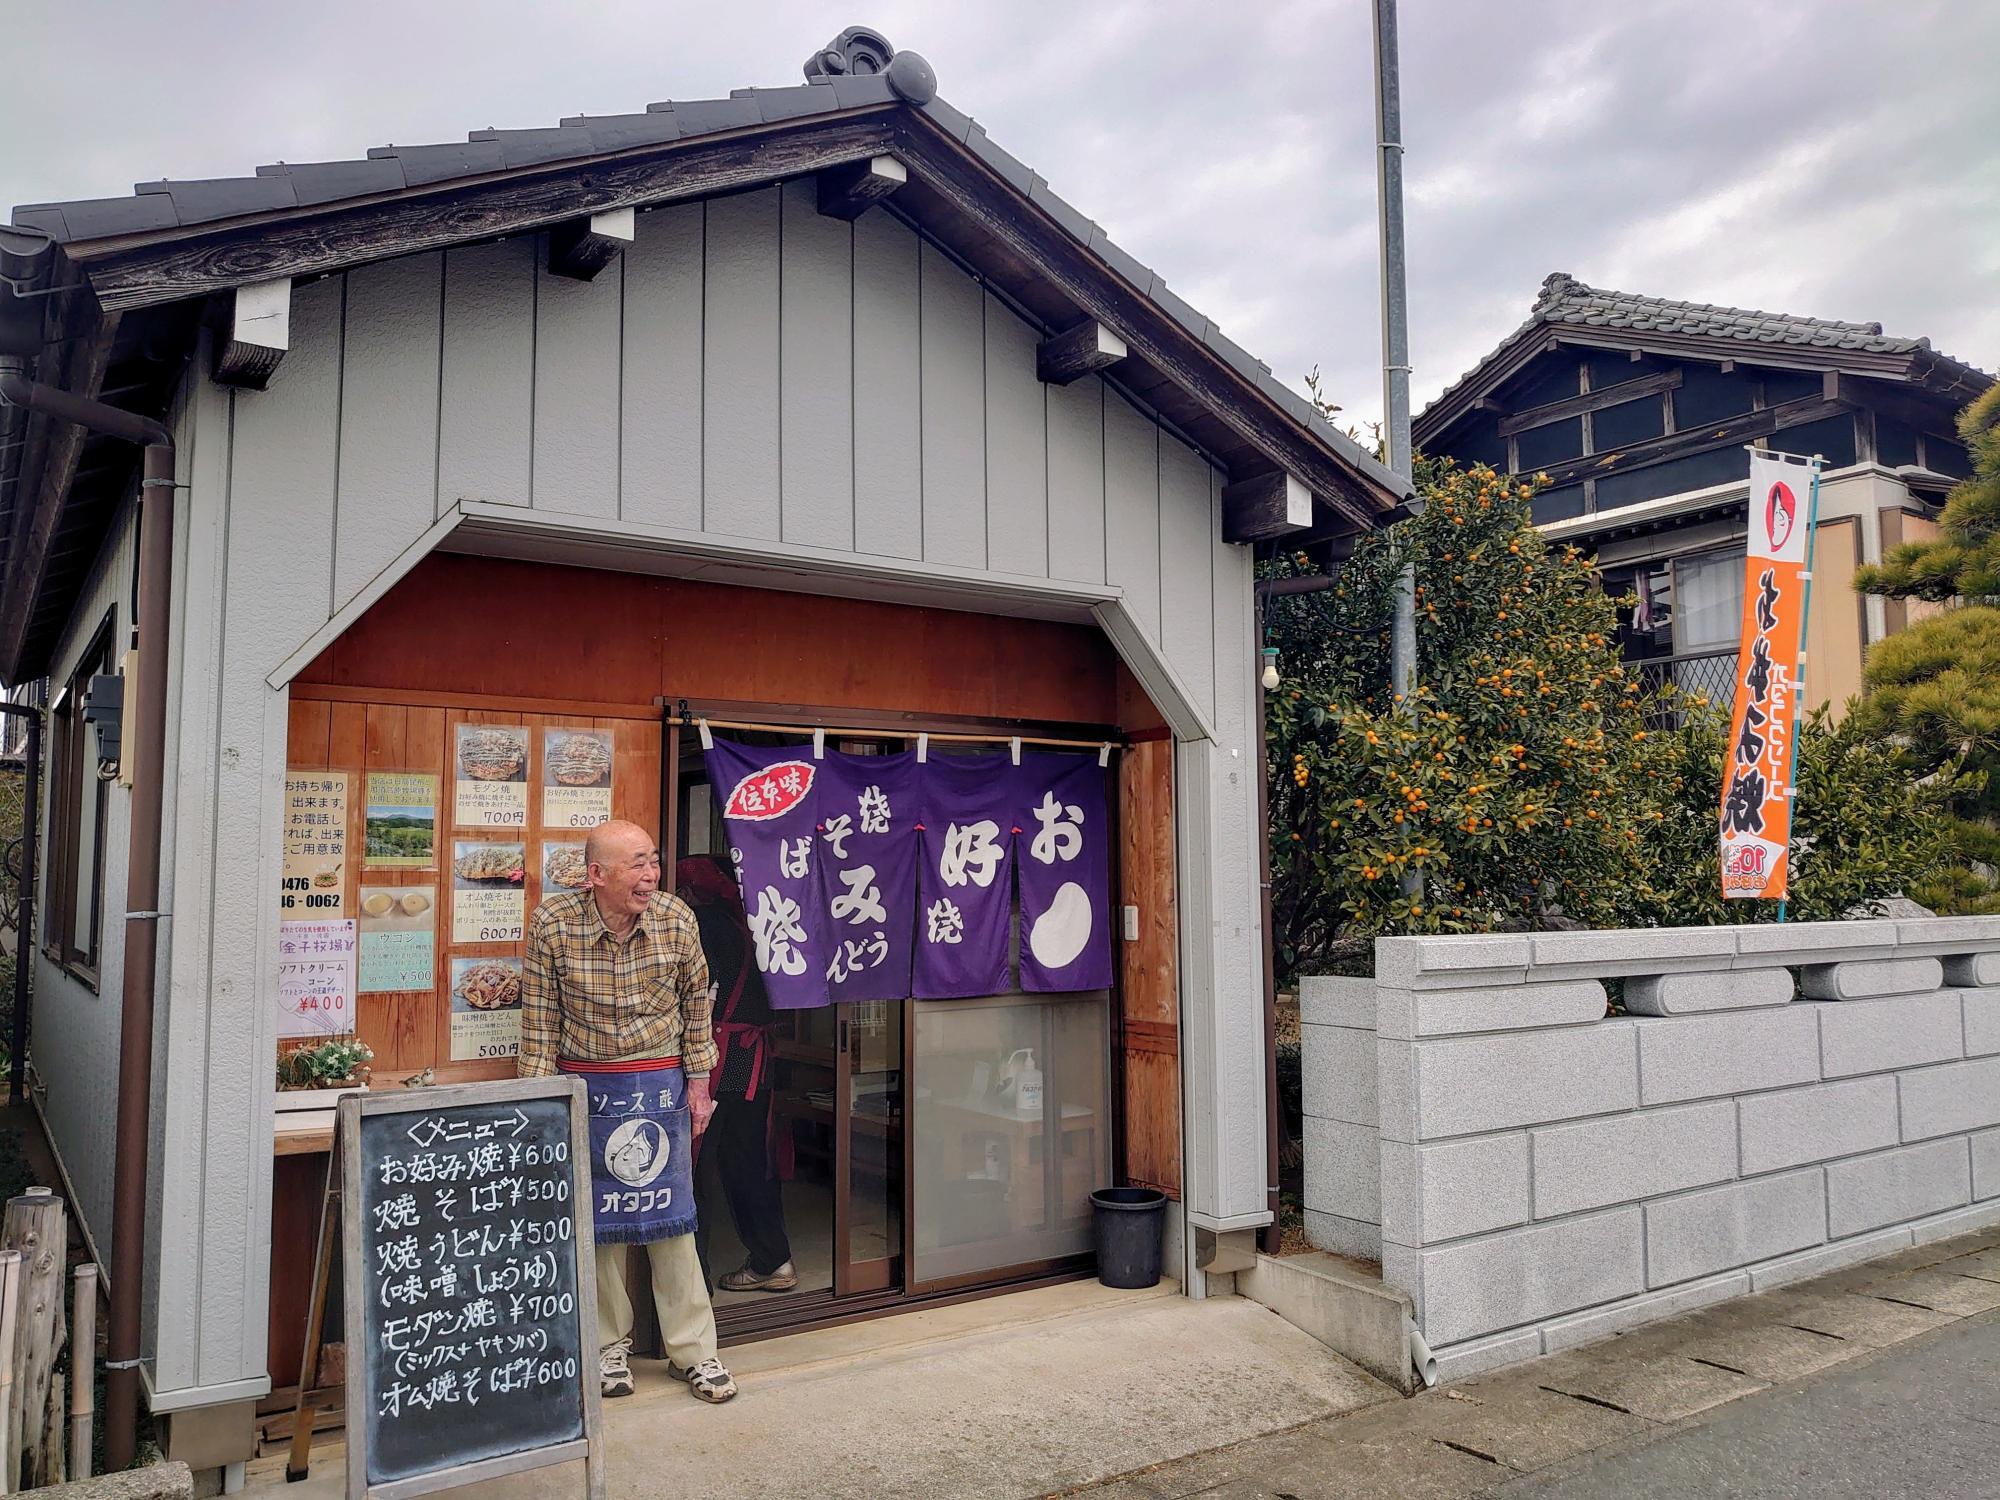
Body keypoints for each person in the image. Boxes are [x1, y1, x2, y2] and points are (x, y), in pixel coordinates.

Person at [519, 818, 737, 1404]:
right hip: (587, 1085)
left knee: (673, 1219)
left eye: (653, 861)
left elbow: (698, 1002)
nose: (651, 875)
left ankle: (694, 1351)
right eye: (637, 863)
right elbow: (539, 1023)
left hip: (659, 1082)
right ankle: (606, 1346)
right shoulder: (554, 924)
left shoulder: (675, 918)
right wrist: (541, 1106)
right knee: (599, 1222)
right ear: (596, 875)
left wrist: (699, 1084)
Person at [677, 856, 796, 1293]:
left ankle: (695, 1285)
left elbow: (695, 998)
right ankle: (774, 1258)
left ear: (690, 891)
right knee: (748, 1161)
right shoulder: (757, 921)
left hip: (712, 1060)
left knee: (695, 1169)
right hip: (753, 1063)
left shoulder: (703, 926)